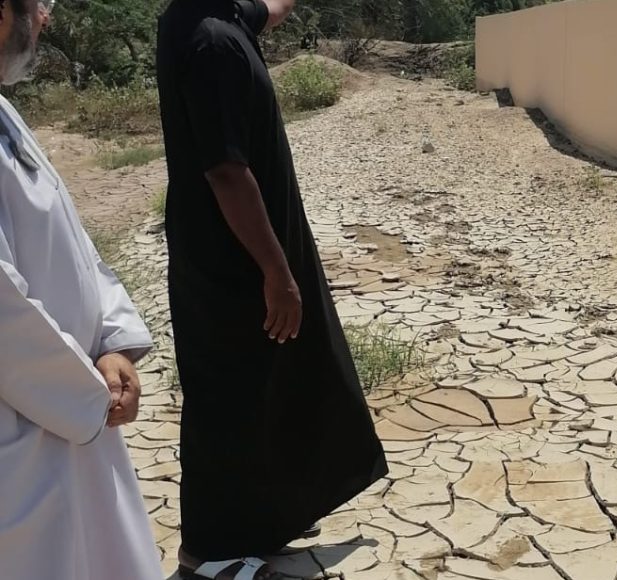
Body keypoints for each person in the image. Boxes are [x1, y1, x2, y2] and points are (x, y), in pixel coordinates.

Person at [155, 1, 389, 577]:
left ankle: (260, 520)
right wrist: (277, 273)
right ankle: (209, 552)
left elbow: (269, 10)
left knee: (269, 386)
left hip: (243, 255)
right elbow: (225, 171)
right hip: (231, 264)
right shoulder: (210, 42)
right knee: (229, 401)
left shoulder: (211, 16)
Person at [0, 0, 164, 578]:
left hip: (73, 412)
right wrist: (88, 393)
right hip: (29, 434)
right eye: (40, 2)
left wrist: (112, 342)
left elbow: (69, 238)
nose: (46, 17)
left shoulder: (4, 111)